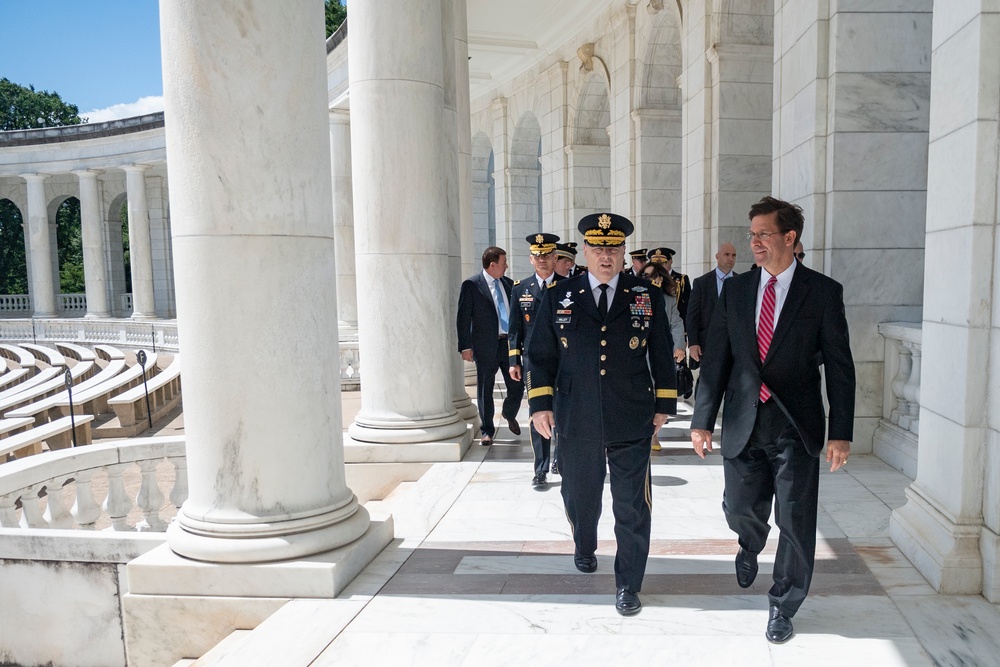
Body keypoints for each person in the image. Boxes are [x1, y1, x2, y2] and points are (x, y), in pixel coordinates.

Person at [689, 196, 855, 644]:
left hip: (795, 425)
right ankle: (749, 541)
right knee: (740, 506)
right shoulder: (737, 291)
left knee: (797, 518)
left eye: (764, 234)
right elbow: (719, 358)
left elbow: (840, 365)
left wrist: (841, 432)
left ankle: (783, 604)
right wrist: (702, 419)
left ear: (789, 237)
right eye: (752, 235)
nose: (755, 243)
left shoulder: (822, 292)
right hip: (744, 419)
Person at [526, 212, 677, 616]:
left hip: (632, 414)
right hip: (576, 415)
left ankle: (628, 583)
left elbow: (661, 352)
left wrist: (664, 404)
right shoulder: (560, 295)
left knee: (632, 505)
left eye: (613, 248)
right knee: (580, 494)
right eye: (597, 248)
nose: (605, 256)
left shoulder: (644, 294)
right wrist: (540, 404)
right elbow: (539, 355)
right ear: (585, 252)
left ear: (624, 251)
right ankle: (584, 541)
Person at [509, 233, 564, 488]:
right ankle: (540, 468)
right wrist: (514, 360)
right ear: (531, 260)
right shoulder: (521, 289)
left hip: (565, 360)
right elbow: (515, 329)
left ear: (556, 258)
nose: (543, 260)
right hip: (535, 363)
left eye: (547, 256)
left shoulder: (569, 286)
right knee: (538, 412)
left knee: (564, 410)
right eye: (538, 256)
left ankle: (560, 460)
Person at [457, 246, 524, 446]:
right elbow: (463, 318)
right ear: (492, 264)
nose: (507, 266)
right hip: (484, 346)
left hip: (509, 345)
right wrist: (465, 346)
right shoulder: (471, 285)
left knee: (517, 385)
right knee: (485, 390)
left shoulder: (510, 284)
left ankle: (509, 412)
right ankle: (487, 430)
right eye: (504, 263)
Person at [638, 261, 686, 452]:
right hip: (639, 352)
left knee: (656, 392)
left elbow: (676, 323)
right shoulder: (636, 297)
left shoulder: (667, 299)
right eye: (645, 276)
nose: (650, 280)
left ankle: (654, 434)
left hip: (659, 353)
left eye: (653, 276)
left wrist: (679, 347)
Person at [686, 242, 738, 364]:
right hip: (708, 344)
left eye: (734, 255)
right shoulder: (702, 283)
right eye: (727, 254)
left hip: (734, 345)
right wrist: (693, 342)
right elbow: (692, 315)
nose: (731, 258)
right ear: (717, 256)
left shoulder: (741, 282)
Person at [646, 247, 691, 322]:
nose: (659, 266)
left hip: (675, 321)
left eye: (662, 263)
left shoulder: (681, 279)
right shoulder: (648, 278)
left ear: (670, 261)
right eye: (655, 263)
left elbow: (687, 304)